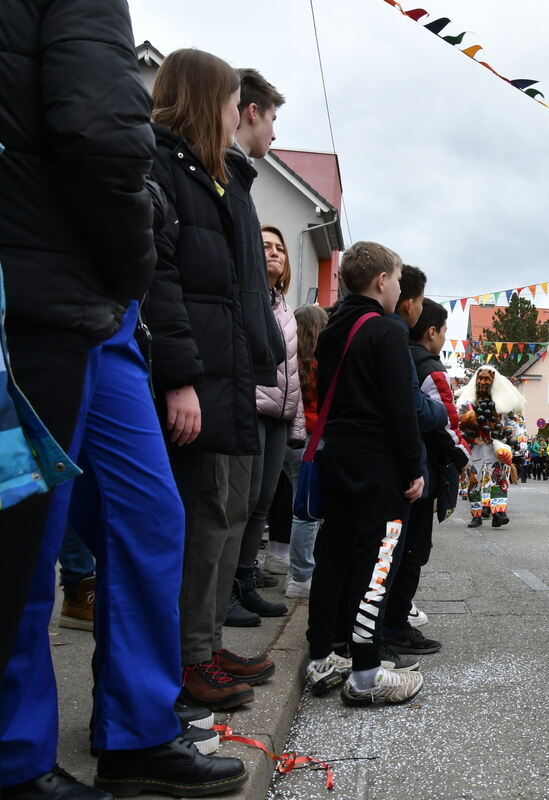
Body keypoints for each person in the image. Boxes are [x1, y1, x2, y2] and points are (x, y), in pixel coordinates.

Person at [0, 13, 248, 797]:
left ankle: (138, 732)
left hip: (99, 313)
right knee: (27, 533)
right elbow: (101, 129)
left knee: (151, 515)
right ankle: (16, 756)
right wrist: (130, 262)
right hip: (42, 293)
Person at [144, 48, 279, 712]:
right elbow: (161, 282)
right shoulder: (164, 171)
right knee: (204, 517)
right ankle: (189, 656)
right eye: (231, 102)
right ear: (207, 102)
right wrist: (181, 377)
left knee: (226, 513)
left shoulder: (212, 178)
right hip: (196, 379)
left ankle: (206, 643)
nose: (239, 115)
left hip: (224, 375)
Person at [304, 241, 425, 706]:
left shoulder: (332, 327)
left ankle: (321, 658)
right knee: (377, 563)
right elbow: (401, 408)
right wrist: (412, 468)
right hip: (377, 461)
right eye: (396, 279)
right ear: (381, 282)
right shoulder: (387, 330)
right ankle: (367, 670)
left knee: (333, 556)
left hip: (337, 455)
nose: (398, 286)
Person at [226, 70, 290, 627]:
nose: (273, 130)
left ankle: (242, 582)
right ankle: (224, 596)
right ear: (250, 112)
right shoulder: (226, 183)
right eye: (272, 118)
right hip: (246, 395)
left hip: (276, 406)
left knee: (258, 505)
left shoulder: (284, 302)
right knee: (232, 504)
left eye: (277, 248)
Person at [379, 299, 469, 651]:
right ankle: (396, 624)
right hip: (422, 467)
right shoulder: (429, 366)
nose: (445, 338)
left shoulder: (397, 354)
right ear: (431, 332)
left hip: (395, 465)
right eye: (444, 331)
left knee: (393, 547)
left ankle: (388, 619)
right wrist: (460, 456)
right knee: (412, 550)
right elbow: (445, 421)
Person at [282, 303, 329, 598]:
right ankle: (300, 577)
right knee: (308, 512)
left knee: (297, 506)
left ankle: (295, 569)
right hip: (312, 440)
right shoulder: (321, 362)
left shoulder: (286, 358)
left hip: (285, 439)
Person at [456, 365, 524, 528]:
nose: (482, 382)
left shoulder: (502, 402)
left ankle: (499, 512)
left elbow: (510, 421)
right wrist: (467, 418)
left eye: (486, 379)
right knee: (474, 480)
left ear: (493, 381)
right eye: (480, 378)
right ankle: (476, 515)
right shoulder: (468, 401)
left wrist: (510, 433)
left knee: (498, 477)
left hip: (494, 443)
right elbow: (459, 421)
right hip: (476, 445)